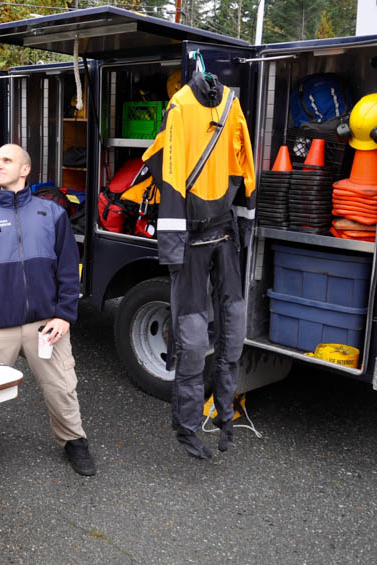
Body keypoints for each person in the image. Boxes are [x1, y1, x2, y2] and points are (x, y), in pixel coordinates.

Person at [0, 143, 96, 477]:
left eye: (7, 160)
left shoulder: (52, 214)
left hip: (46, 324)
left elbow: (69, 269)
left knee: (62, 388)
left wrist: (64, 315)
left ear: (25, 169)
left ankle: (74, 441)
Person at [139, 71, 256, 459]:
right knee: (192, 342)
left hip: (221, 236)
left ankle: (224, 414)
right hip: (196, 239)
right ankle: (187, 426)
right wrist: (174, 245)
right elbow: (173, 174)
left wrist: (243, 224)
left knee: (232, 331)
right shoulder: (183, 105)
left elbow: (244, 164)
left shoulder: (230, 104)